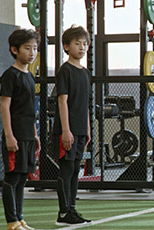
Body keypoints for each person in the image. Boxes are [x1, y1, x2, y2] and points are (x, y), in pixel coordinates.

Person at [0, 29, 41, 230]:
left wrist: (34, 133)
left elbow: (30, 108)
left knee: (23, 177)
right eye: (27, 48)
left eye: (34, 48)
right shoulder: (10, 75)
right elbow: (5, 106)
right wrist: (9, 135)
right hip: (14, 134)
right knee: (12, 178)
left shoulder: (30, 76)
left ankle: (20, 219)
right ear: (14, 50)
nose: (32, 52)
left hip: (27, 134)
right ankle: (12, 222)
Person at [52, 25, 92, 226]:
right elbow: (62, 101)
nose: (82, 47)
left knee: (76, 170)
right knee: (66, 171)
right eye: (77, 44)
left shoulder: (85, 73)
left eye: (85, 44)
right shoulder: (65, 70)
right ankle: (63, 213)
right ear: (66, 47)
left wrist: (87, 129)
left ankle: (72, 210)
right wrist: (66, 130)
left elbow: (85, 104)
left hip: (79, 130)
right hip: (65, 131)